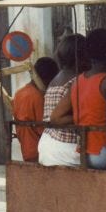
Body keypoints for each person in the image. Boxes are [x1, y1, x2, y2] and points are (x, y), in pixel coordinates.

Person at [50, 28, 106, 169]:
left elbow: (55, 118)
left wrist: (80, 117)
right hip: (104, 151)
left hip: (84, 153)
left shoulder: (78, 81)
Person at [39, 34, 87, 167]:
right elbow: (59, 118)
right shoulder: (76, 81)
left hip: (47, 144)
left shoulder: (55, 80)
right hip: (66, 149)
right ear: (82, 58)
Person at [13, 57, 58, 162]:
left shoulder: (19, 93)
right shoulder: (38, 97)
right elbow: (43, 129)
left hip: (27, 149)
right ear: (49, 79)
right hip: (38, 151)